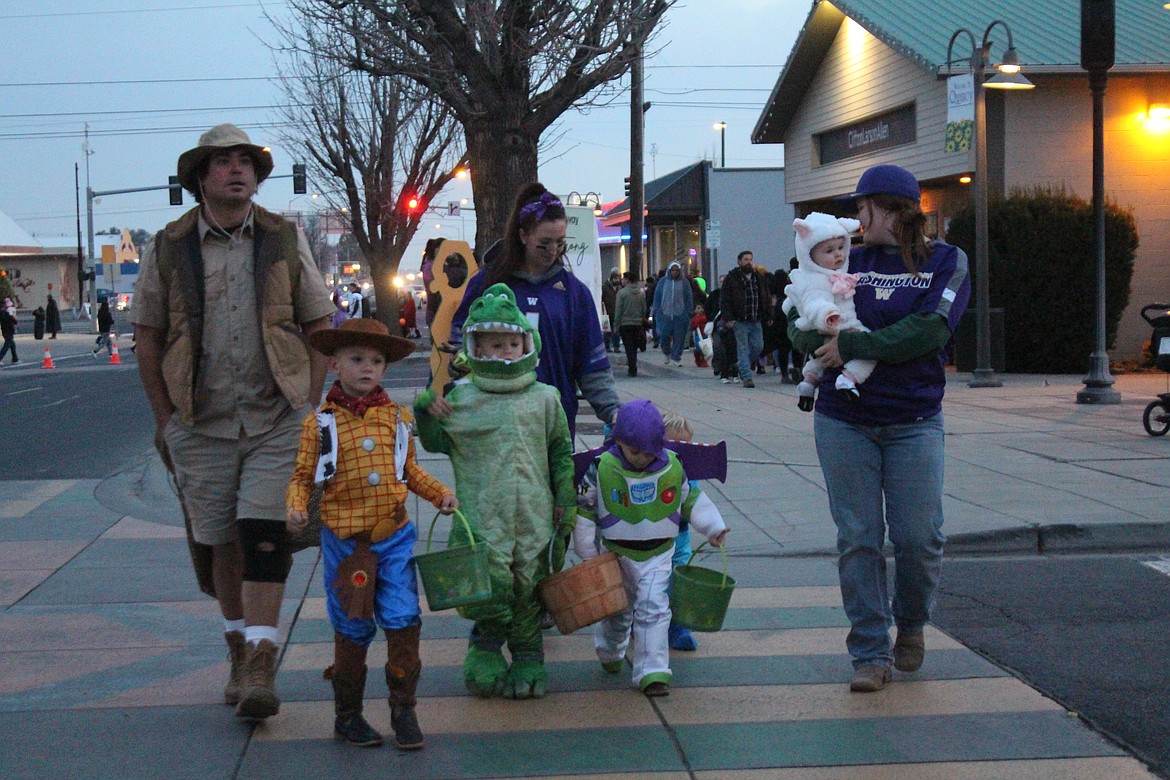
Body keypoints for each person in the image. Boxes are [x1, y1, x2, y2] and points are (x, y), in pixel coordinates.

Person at [132, 123, 335, 720]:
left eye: (245, 161)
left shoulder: (280, 237)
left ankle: (259, 664)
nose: (237, 170)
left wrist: (308, 402)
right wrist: (166, 420)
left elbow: (319, 324)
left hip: (276, 417)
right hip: (200, 422)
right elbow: (147, 339)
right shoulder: (169, 246)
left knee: (264, 535)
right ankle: (235, 646)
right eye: (223, 162)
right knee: (220, 543)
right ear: (201, 178)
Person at [786, 164, 971, 693]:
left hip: (914, 420)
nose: (856, 219)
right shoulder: (844, 255)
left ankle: (910, 623)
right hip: (844, 420)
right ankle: (869, 651)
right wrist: (813, 342)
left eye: (862, 208)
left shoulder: (946, 260)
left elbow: (930, 331)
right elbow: (798, 320)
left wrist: (854, 345)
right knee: (859, 538)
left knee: (919, 537)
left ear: (887, 208)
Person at [286, 317, 457, 749]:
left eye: (376, 361)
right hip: (347, 546)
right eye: (357, 359)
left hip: (394, 537)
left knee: (403, 617)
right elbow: (303, 476)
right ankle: (348, 715)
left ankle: (404, 710)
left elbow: (409, 470)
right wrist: (293, 507)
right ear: (333, 364)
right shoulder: (320, 425)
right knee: (353, 623)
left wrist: (439, 494)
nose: (367, 368)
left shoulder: (395, 418)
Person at [414, 283, 575, 700]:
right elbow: (435, 441)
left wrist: (566, 500)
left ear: (526, 343)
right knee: (490, 587)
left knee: (529, 589)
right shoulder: (463, 398)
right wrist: (425, 411)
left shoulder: (545, 398)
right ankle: (485, 646)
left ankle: (527, 656)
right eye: (493, 345)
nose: (504, 351)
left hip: (536, 517)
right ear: (476, 350)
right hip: (486, 518)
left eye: (511, 343)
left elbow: (560, 451)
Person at [572, 399, 728, 697]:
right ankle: (610, 650)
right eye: (635, 451)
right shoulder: (600, 468)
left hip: (659, 553)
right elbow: (586, 510)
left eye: (649, 451)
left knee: (654, 608)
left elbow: (691, 499)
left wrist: (713, 527)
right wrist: (589, 554)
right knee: (617, 611)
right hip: (616, 554)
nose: (643, 458)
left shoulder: (672, 466)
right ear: (617, 440)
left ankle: (652, 671)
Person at [441, 183, 619, 441]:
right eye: (544, 243)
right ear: (523, 236)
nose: (553, 251)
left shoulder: (574, 294)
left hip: (552, 429)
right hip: (492, 428)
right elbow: (461, 346)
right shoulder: (486, 285)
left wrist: (614, 413)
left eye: (560, 243)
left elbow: (593, 367)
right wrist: (460, 362)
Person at [784, 213, 875, 411]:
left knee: (820, 359)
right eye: (829, 251)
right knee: (868, 347)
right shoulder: (815, 279)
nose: (838, 255)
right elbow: (814, 302)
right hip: (835, 322)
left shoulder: (837, 273)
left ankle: (808, 382)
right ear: (809, 255)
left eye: (841, 248)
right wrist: (828, 314)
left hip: (835, 322)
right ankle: (848, 378)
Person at [661, 411, 701, 652]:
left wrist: (713, 527)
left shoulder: (689, 473)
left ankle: (679, 626)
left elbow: (697, 503)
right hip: (655, 538)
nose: (678, 451)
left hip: (680, 535)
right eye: (672, 444)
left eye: (684, 446)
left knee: (679, 582)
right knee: (651, 585)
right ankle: (638, 620)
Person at [721, 250, 772, 387]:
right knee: (742, 348)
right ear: (739, 262)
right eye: (745, 259)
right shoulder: (732, 278)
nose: (748, 262)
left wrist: (768, 314)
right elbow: (725, 299)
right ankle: (747, 377)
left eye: (750, 259)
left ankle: (740, 365)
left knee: (758, 346)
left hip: (756, 319)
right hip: (740, 320)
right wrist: (728, 318)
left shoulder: (758, 278)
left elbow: (765, 296)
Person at [652, 261, 693, 367]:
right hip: (664, 314)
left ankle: (676, 357)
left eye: (677, 270)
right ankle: (667, 352)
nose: (674, 272)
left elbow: (689, 298)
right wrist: (656, 310)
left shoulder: (684, 283)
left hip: (680, 315)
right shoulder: (662, 282)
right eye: (672, 270)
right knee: (664, 336)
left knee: (679, 337)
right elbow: (657, 296)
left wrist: (689, 312)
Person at [613, 271, 647, 377]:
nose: (622, 281)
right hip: (637, 323)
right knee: (634, 346)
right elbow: (643, 309)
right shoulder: (641, 293)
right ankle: (633, 366)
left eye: (623, 279)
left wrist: (616, 324)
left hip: (625, 323)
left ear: (627, 280)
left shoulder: (622, 293)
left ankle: (632, 368)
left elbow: (618, 310)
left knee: (629, 346)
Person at [602, 268, 621, 353]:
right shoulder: (604, 287)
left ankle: (616, 347)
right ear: (611, 278)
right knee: (606, 330)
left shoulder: (619, 288)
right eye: (615, 278)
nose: (617, 280)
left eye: (618, 278)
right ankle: (607, 347)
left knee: (616, 330)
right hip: (606, 312)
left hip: (616, 312)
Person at [689, 304, 709, 368]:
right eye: (698, 308)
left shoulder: (705, 317)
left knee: (705, 349)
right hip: (698, 335)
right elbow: (692, 326)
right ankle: (698, 358)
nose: (700, 310)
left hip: (705, 334)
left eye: (701, 308)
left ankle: (704, 361)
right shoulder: (694, 318)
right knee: (698, 348)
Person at [0, 298, 17, 364]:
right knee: (7, 345)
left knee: (12, 344)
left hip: (5, 330)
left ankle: (15, 359)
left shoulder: (3, 313)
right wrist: (13, 318)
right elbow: (14, 320)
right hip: (8, 331)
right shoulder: (5, 313)